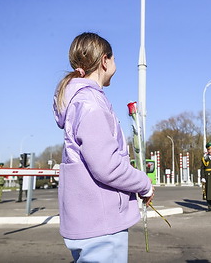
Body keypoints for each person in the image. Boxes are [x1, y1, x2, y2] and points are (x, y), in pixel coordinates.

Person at [53, 32, 154, 262]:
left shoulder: (78, 101)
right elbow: (107, 166)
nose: (115, 64)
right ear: (104, 61)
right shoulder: (91, 104)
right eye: (114, 59)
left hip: (87, 222)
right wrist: (144, 184)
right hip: (101, 224)